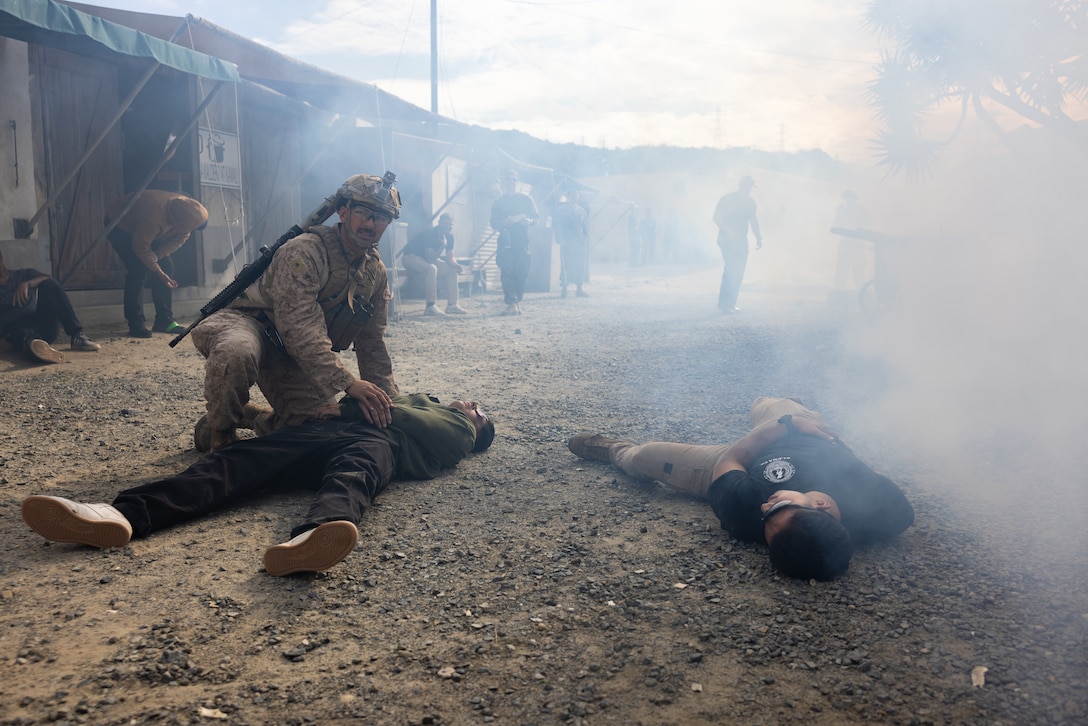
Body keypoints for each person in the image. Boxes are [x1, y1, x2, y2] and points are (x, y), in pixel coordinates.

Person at [20, 393, 496, 576]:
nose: (471, 402)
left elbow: (399, 418)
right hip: (326, 432)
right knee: (242, 460)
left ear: (477, 425)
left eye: (478, 407)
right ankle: (122, 514)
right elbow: (386, 402)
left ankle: (317, 535)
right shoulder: (425, 398)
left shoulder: (461, 432)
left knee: (354, 476)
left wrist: (355, 406)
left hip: (375, 443)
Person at [566, 397, 914, 580]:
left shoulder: (747, 511)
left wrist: (785, 426)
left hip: (748, 455)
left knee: (646, 457)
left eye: (767, 523)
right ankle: (786, 408)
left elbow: (736, 455)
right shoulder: (886, 511)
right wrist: (802, 423)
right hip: (810, 434)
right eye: (777, 509)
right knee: (765, 402)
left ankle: (613, 448)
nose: (766, 509)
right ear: (821, 505)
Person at [189, 173, 401, 452]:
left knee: (318, 428)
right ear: (343, 211)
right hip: (248, 323)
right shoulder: (304, 252)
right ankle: (219, 430)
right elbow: (300, 328)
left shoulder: (374, 273)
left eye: (381, 217)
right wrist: (348, 383)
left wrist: (393, 405)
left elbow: (372, 341)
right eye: (363, 212)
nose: (371, 223)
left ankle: (256, 418)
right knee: (237, 351)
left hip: (288, 349)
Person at [105, 190, 209, 338]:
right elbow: (140, 247)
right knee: (138, 270)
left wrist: (158, 254)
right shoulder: (154, 219)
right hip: (120, 224)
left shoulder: (188, 210)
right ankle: (136, 323)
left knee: (167, 266)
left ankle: (164, 320)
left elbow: (179, 239)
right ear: (177, 223)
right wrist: (158, 272)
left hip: (149, 228)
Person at [0, 248, 100, 364]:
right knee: (28, 337)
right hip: (14, 332)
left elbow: (49, 278)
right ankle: (39, 350)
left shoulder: (23, 275)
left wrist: (27, 284)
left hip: (41, 324)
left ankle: (76, 335)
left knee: (50, 285)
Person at [489, 170, 538, 315]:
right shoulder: (498, 202)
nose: (511, 182)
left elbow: (536, 218)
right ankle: (512, 302)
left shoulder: (526, 199)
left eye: (513, 180)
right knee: (507, 270)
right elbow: (493, 222)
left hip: (522, 241)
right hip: (506, 240)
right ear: (504, 182)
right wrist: (503, 222)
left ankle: (517, 300)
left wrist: (529, 221)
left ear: (517, 182)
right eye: (508, 180)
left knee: (521, 271)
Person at [713, 175, 763, 313]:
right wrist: (729, 232)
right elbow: (716, 218)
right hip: (726, 240)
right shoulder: (727, 199)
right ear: (740, 185)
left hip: (741, 241)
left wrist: (758, 237)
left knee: (739, 271)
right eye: (745, 185)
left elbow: (753, 220)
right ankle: (724, 305)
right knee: (731, 269)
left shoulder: (750, 202)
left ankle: (731, 303)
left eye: (750, 186)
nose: (747, 188)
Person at [401, 213, 467, 316]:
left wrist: (456, 265)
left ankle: (452, 305)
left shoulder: (449, 236)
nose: (447, 227)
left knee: (452, 270)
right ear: (439, 223)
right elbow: (430, 257)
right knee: (431, 269)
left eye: (450, 225)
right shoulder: (431, 233)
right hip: (410, 258)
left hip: (425, 260)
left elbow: (450, 256)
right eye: (445, 224)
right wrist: (443, 246)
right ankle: (430, 306)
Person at [833, 190, 871, 290]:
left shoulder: (860, 210)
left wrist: (857, 227)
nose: (847, 200)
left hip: (857, 244)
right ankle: (839, 292)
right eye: (845, 197)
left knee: (858, 271)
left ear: (854, 199)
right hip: (845, 243)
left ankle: (861, 293)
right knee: (841, 270)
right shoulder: (841, 209)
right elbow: (836, 224)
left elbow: (868, 222)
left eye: (849, 197)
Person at [554, 190, 589, 298]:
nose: (575, 197)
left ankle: (579, 289)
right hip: (567, 240)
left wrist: (585, 238)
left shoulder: (581, 210)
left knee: (580, 264)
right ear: (568, 197)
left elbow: (585, 226)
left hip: (579, 241)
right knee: (566, 264)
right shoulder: (561, 210)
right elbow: (558, 226)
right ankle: (564, 288)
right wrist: (560, 239)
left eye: (576, 195)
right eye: (573, 195)